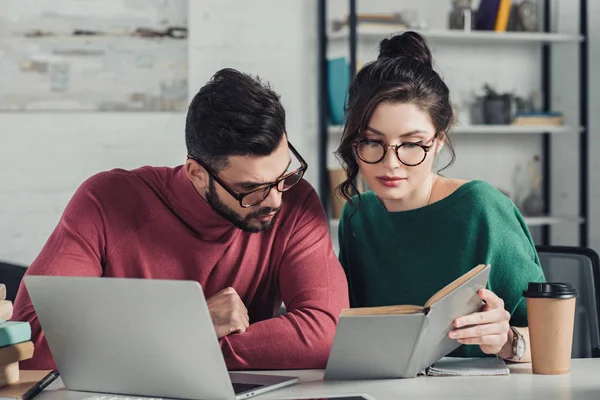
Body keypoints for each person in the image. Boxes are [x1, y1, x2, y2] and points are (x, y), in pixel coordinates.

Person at [13, 68, 348, 370]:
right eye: (251, 189)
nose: (276, 199)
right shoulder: (105, 200)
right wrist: (191, 324)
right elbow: (29, 345)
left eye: (283, 175)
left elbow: (328, 332)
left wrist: (155, 349)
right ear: (197, 174)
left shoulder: (296, 201)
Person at [335, 32, 545, 362]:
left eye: (412, 144)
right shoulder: (357, 216)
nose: (391, 164)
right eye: (372, 142)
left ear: (437, 142)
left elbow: (555, 340)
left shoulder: (482, 209)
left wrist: (508, 340)